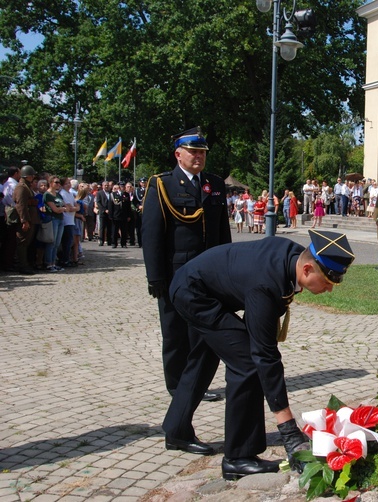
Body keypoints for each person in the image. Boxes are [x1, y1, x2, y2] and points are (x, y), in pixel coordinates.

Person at [162, 230, 355, 479]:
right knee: (247, 363)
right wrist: (287, 427)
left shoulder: (292, 259)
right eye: (328, 282)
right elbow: (264, 354)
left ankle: (176, 430)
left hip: (206, 287)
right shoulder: (266, 283)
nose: (329, 289)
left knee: (207, 357)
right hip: (193, 293)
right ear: (307, 269)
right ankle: (238, 457)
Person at [142, 126, 232, 401]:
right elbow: (152, 234)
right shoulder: (162, 184)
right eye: (193, 151)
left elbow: (222, 232)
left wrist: (227, 271)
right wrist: (155, 277)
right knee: (175, 332)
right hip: (175, 271)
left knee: (201, 332)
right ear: (178, 154)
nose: (199, 157)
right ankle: (177, 386)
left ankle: (197, 384)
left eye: (202, 152)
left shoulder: (214, 184)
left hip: (207, 273)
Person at [12, 165, 39, 275]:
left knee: (26, 242)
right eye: (32, 175)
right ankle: (22, 265)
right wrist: (24, 220)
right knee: (22, 242)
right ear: (27, 176)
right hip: (26, 218)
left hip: (30, 217)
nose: (33, 177)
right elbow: (21, 205)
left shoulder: (26, 186)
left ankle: (25, 264)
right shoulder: (22, 187)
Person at [43, 177, 67, 272]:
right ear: (50, 183)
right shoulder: (48, 195)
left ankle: (53, 263)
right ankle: (48, 263)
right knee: (51, 242)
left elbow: (64, 206)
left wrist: (62, 209)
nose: (58, 184)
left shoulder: (58, 195)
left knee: (57, 243)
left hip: (60, 219)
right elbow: (55, 209)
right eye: (56, 182)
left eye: (59, 183)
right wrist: (62, 209)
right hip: (52, 219)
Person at [110, 182, 132, 249]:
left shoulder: (126, 194)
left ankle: (123, 243)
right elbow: (110, 206)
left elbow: (128, 206)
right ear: (119, 187)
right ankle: (114, 243)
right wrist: (110, 215)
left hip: (124, 215)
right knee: (115, 231)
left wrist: (129, 215)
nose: (122, 187)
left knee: (124, 231)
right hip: (116, 215)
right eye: (121, 186)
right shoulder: (113, 194)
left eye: (123, 186)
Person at [94, 181, 113, 246]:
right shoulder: (99, 193)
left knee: (109, 227)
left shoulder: (111, 193)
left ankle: (109, 240)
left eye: (107, 185)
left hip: (110, 213)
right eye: (105, 185)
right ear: (102, 186)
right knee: (102, 227)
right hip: (103, 212)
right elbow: (98, 202)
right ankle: (101, 240)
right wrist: (104, 210)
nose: (106, 186)